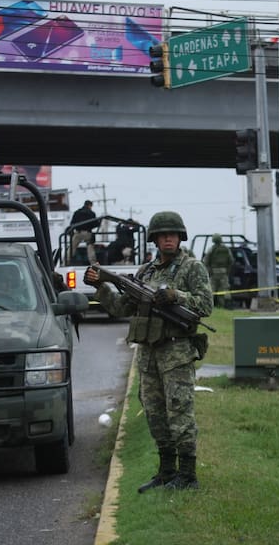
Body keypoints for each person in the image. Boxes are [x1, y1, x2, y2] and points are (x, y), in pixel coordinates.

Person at [84, 211, 213, 492]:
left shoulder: (192, 268)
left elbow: (205, 306)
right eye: (163, 235)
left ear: (180, 237)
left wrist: (175, 296)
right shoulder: (145, 272)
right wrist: (101, 287)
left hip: (177, 353)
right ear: (155, 239)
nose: (168, 238)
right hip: (148, 354)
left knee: (180, 412)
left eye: (173, 234)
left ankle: (188, 475)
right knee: (155, 414)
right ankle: (166, 472)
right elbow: (121, 308)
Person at [203, 234, 234, 309]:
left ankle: (210, 306)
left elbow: (206, 260)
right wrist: (227, 270)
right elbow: (231, 260)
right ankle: (225, 305)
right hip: (223, 273)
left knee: (212, 290)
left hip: (213, 273)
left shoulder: (211, 249)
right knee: (224, 289)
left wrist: (209, 271)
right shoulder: (226, 249)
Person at [68, 200, 98, 265]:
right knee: (90, 248)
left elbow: (72, 223)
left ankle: (66, 261)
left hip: (78, 232)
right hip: (87, 233)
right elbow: (95, 224)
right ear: (90, 205)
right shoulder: (92, 213)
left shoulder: (77, 212)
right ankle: (93, 263)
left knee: (72, 248)